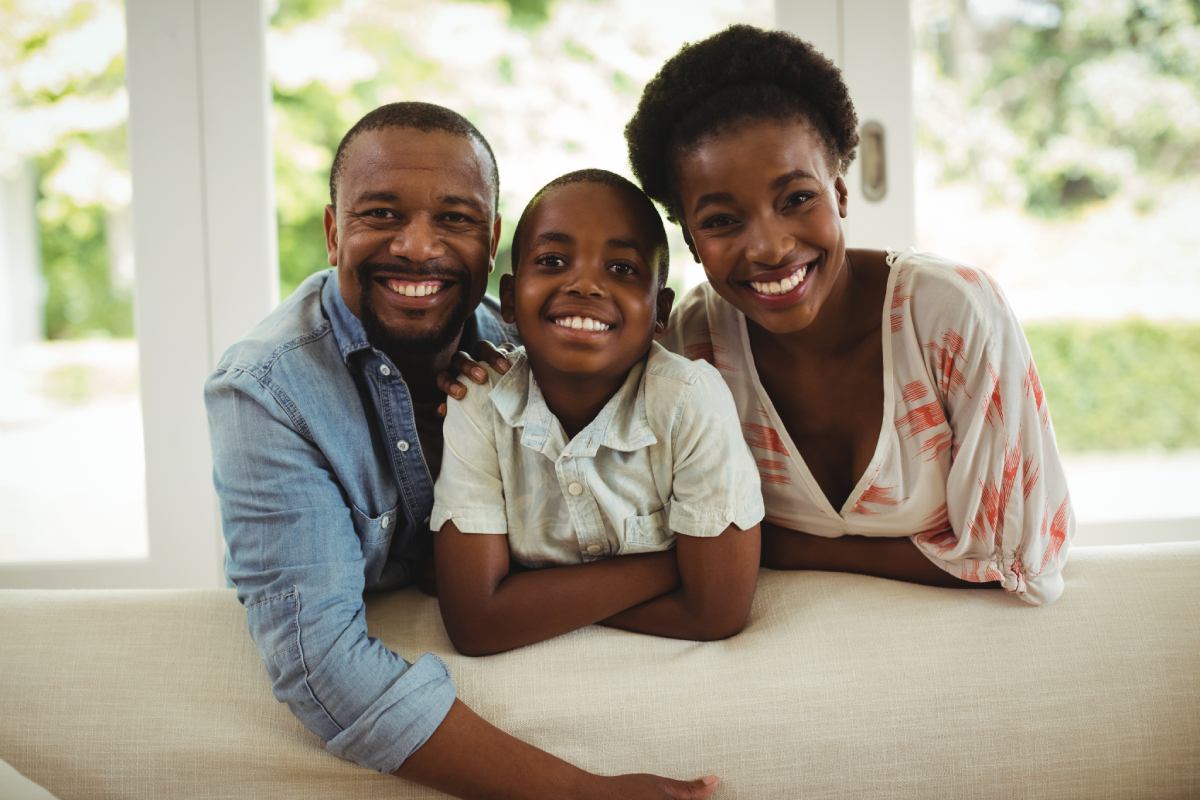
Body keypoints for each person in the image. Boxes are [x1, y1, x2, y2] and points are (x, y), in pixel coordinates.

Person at [205, 102, 722, 799]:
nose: (418, 247)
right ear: (333, 232)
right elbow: (321, 667)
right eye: (381, 214)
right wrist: (580, 793)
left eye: (454, 219)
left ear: (492, 242)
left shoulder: (537, 344)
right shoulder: (267, 392)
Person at [623, 25, 1074, 604]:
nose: (770, 248)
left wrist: (784, 546)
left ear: (839, 193)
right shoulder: (694, 343)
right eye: (720, 220)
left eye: (797, 199)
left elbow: (1022, 559)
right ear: (689, 239)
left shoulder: (949, 315)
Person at [431, 169, 763, 656]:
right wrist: (676, 567)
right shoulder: (479, 399)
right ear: (507, 299)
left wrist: (526, 599)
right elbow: (475, 623)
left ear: (660, 312)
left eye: (623, 269)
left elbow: (715, 612)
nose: (585, 284)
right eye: (553, 260)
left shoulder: (689, 398)